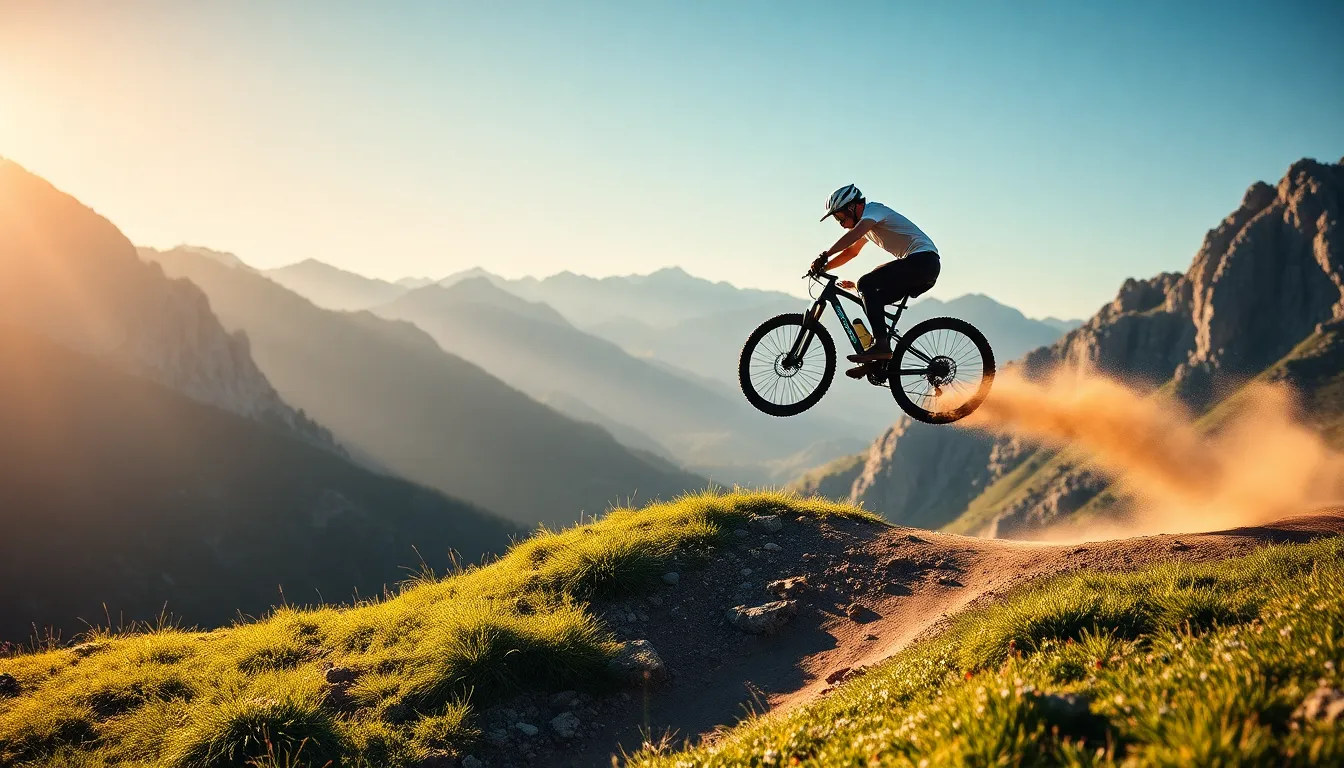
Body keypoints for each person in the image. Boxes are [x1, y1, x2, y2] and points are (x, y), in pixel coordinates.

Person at [810, 184, 941, 378]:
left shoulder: (873, 211)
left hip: (923, 261)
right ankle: (879, 362)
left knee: (866, 283)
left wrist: (825, 255)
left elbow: (852, 236)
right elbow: (851, 251)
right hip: (920, 267)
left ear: (852, 207)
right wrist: (824, 268)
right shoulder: (869, 225)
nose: (840, 223)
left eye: (839, 217)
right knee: (871, 298)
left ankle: (881, 345)